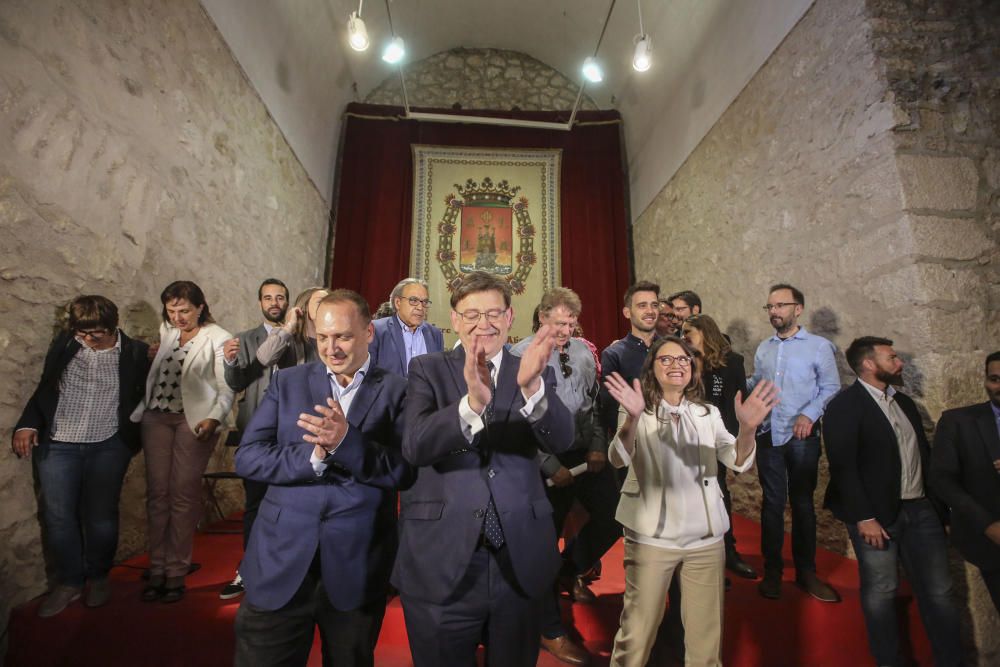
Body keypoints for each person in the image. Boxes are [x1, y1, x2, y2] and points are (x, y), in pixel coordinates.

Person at [392, 270, 574, 667]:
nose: (483, 324)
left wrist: (532, 390)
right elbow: (415, 445)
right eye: (471, 314)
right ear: (454, 319)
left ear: (509, 318)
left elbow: (561, 440)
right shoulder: (427, 368)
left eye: (494, 314)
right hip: (443, 556)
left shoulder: (531, 367)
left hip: (519, 558)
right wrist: (471, 404)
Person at [233, 290, 411, 667]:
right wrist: (313, 456)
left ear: (368, 333)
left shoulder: (398, 390)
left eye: (344, 336)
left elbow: (404, 470)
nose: (332, 348)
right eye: (323, 337)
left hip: (357, 563)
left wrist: (348, 443)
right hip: (280, 560)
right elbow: (248, 457)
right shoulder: (288, 383)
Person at [604, 337, 777, 667]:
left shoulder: (707, 413)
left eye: (684, 360)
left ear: (693, 370)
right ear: (652, 369)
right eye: (666, 360)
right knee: (637, 634)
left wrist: (747, 430)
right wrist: (633, 420)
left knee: (705, 637)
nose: (676, 365)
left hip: (705, 538)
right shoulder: (635, 409)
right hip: (652, 536)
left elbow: (737, 460)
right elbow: (617, 457)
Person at [824, 337, 961, 667]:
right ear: (869, 364)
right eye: (892, 357)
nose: (900, 363)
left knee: (940, 592)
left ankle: (951, 661)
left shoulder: (904, 403)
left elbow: (922, 458)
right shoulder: (845, 406)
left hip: (921, 509)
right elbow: (843, 466)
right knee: (882, 591)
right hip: (876, 516)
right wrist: (864, 516)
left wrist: (938, 509)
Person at [12, 295, 149, 617]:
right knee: (59, 517)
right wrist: (28, 423)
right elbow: (46, 385)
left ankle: (99, 577)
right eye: (82, 332)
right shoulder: (66, 344)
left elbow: (147, 393)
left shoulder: (135, 352)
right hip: (59, 442)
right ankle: (70, 583)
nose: (88, 338)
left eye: (96, 332)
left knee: (101, 515)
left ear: (114, 326)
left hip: (109, 443)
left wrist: (131, 436)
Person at [512, 288, 617, 666]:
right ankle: (548, 627)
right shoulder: (519, 354)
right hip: (542, 462)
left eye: (571, 322)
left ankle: (569, 569)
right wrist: (547, 465)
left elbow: (592, 404)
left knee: (615, 514)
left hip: (584, 454)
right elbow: (516, 419)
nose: (565, 329)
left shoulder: (585, 351)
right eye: (559, 322)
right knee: (542, 544)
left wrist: (598, 445)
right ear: (542, 318)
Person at [131, 280, 234, 603]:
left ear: (200, 307)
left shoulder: (218, 337)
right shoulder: (166, 333)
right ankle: (157, 567)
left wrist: (215, 417)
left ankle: (176, 570)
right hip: (156, 418)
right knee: (157, 494)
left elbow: (225, 385)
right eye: (172, 310)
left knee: (182, 495)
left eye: (184, 310)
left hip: (194, 422)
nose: (178, 316)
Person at [749, 283, 841, 602]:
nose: (774, 311)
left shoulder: (819, 347)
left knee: (802, 504)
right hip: (768, 435)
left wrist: (810, 415)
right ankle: (772, 573)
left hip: (802, 437)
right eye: (770, 306)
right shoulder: (763, 348)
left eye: (780, 305)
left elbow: (830, 387)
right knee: (772, 505)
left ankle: (806, 573)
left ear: (797, 309)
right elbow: (756, 383)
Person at [217, 278, 302, 600]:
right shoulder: (245, 339)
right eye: (268, 298)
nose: (274, 302)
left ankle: (285, 571)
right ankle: (248, 569)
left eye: (280, 297)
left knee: (290, 504)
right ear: (260, 303)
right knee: (255, 503)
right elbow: (240, 380)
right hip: (258, 429)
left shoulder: (300, 340)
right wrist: (228, 361)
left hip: (293, 432)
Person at [681, 314, 757, 580]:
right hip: (685, 445)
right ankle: (702, 562)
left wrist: (732, 445)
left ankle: (728, 554)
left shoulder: (731, 362)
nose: (684, 336)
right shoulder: (683, 361)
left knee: (718, 500)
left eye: (688, 331)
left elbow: (735, 405)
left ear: (704, 331)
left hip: (717, 442)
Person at [931, 350, 1000, 612]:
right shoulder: (958, 422)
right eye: (994, 379)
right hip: (993, 540)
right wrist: (988, 525)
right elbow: (942, 479)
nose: (999, 386)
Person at [369, 277, 444, 377]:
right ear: (398, 303)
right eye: (413, 300)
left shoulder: (435, 334)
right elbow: (367, 375)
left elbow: (439, 375)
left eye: (425, 302)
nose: (420, 307)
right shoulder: (376, 330)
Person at [255, 286, 328, 367]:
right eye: (320, 301)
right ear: (305, 306)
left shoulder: (332, 341)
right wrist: (289, 326)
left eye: (329, 302)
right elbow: (265, 358)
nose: (328, 306)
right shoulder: (288, 338)